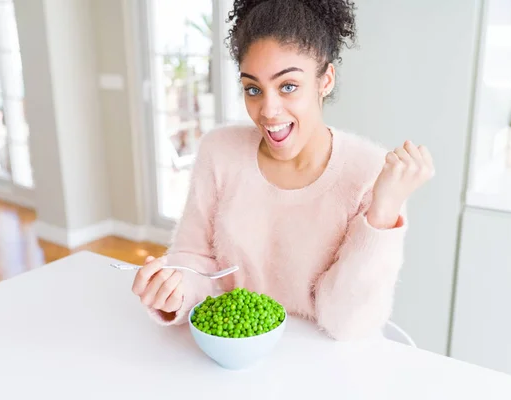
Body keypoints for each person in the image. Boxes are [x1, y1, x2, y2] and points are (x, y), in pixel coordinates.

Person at [132, 0, 434, 341]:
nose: (268, 111)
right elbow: (192, 260)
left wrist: (382, 213)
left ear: (325, 80)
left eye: (288, 86)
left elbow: (347, 324)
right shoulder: (220, 152)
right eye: (253, 89)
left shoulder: (373, 174)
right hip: (233, 358)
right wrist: (175, 290)